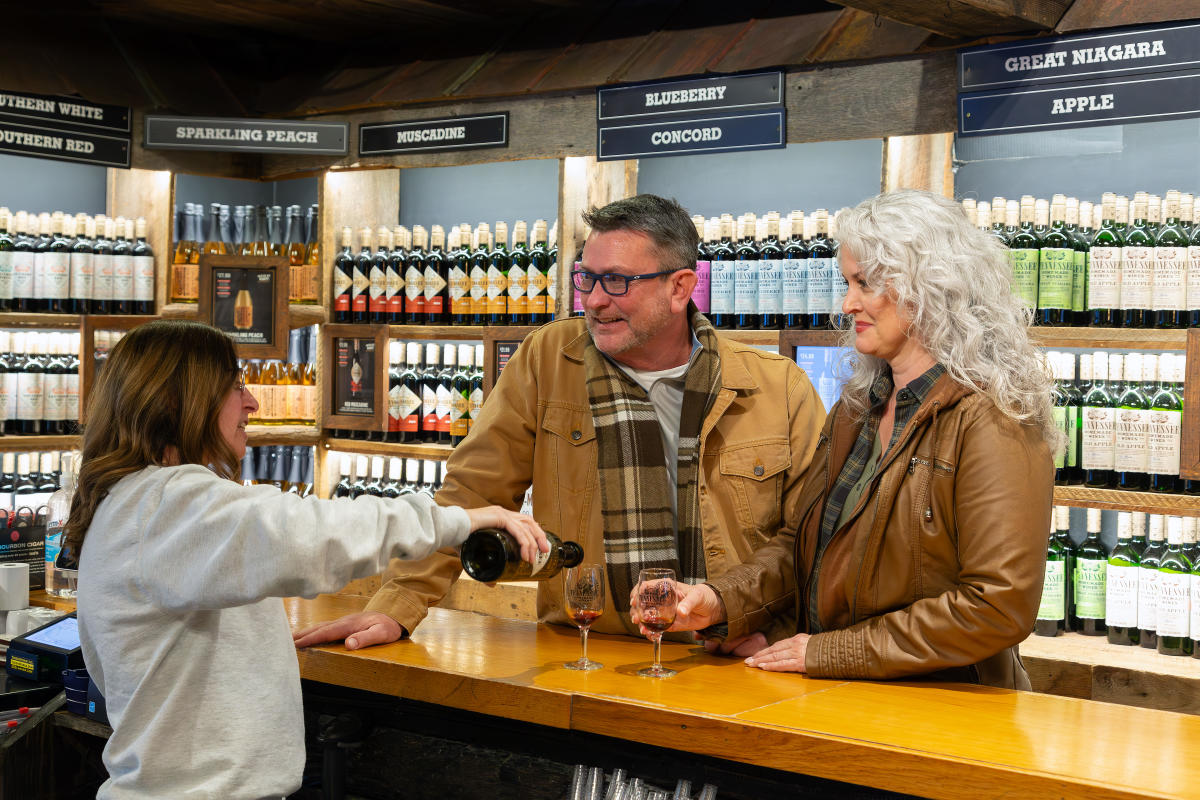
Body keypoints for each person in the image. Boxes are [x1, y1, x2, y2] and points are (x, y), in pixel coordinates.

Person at [294, 194, 826, 653]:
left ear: (680, 287)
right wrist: (399, 604)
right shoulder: (547, 359)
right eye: (586, 278)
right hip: (588, 652)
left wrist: (737, 605)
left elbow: (809, 538)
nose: (594, 300)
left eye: (617, 282)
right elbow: (471, 494)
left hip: (731, 657)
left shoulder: (776, 387)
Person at [69, 320, 546, 799]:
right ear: (181, 401)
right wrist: (458, 520)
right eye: (234, 387)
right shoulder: (169, 505)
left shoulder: (134, 502)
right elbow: (310, 534)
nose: (252, 401)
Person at [640, 190, 1058, 688]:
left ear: (929, 285)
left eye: (866, 284)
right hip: (853, 695)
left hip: (950, 707)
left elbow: (998, 606)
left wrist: (831, 651)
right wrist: (719, 600)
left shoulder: (993, 416)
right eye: (847, 282)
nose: (847, 303)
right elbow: (802, 546)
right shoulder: (858, 408)